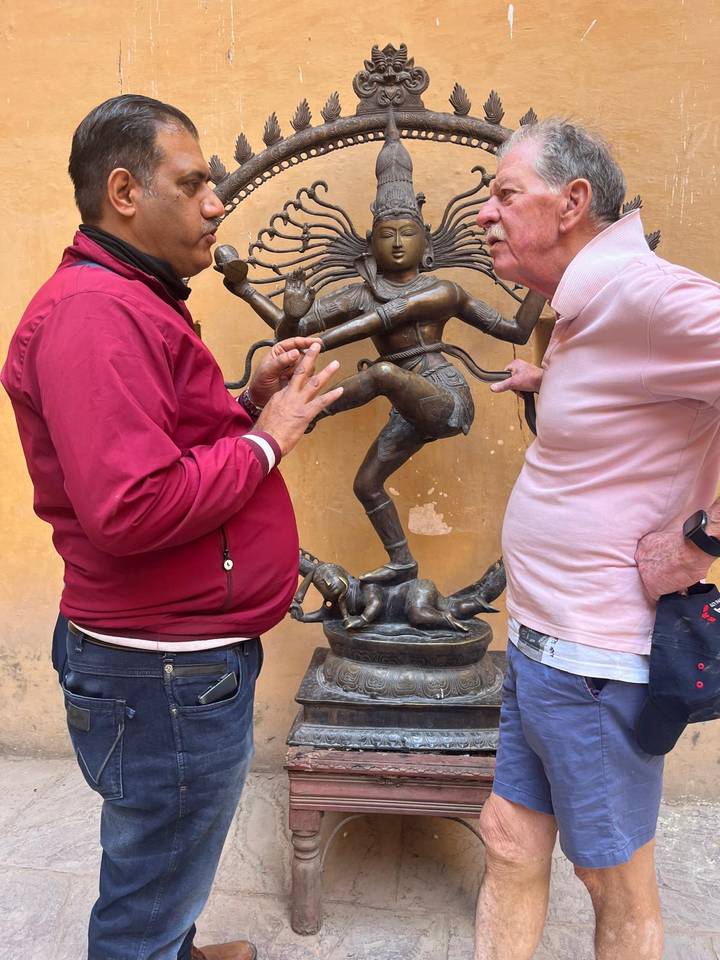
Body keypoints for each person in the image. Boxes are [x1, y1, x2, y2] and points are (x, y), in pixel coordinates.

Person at [1, 94, 342, 960]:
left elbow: (160, 435)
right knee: (153, 870)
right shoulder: (95, 314)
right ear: (123, 191)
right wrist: (269, 440)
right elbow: (132, 506)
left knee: (171, 851)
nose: (216, 203)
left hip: (175, 655)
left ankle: (173, 947)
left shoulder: (131, 298)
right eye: (192, 184)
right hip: (158, 670)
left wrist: (244, 400)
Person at [473, 119, 720, 960]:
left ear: (573, 202)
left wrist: (706, 540)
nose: (483, 215)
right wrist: (555, 390)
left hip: (595, 663)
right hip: (539, 645)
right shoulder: (581, 309)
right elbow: (640, 412)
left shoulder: (641, 296)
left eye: (505, 195)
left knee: (616, 887)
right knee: (507, 838)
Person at [217, 113, 544, 586]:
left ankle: (306, 414)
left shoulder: (443, 291)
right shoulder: (360, 292)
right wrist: (250, 291)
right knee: (366, 483)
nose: (395, 242)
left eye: (406, 233)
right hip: (405, 408)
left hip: (444, 396)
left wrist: (544, 275)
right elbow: (297, 334)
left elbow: (515, 329)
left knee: (383, 375)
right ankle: (403, 563)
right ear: (369, 246)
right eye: (385, 234)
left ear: (426, 244)